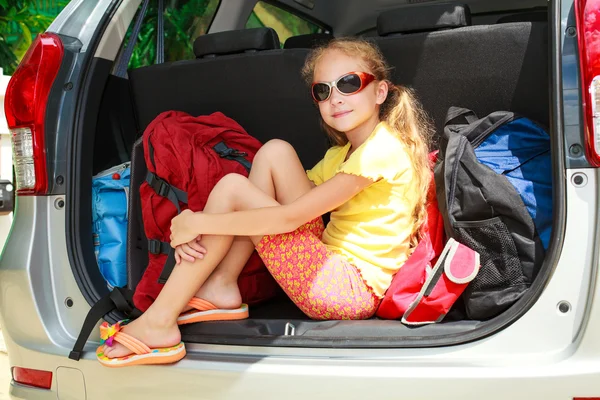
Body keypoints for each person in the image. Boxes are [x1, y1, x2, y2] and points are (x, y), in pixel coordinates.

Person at [97, 37, 433, 367]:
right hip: (332, 270)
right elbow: (273, 197)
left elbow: (288, 218)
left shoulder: (382, 150)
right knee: (275, 152)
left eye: (349, 83)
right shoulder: (342, 155)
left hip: (347, 291)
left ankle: (160, 320)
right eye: (323, 90)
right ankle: (223, 284)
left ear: (380, 91)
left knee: (232, 187)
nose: (336, 98)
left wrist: (195, 222)